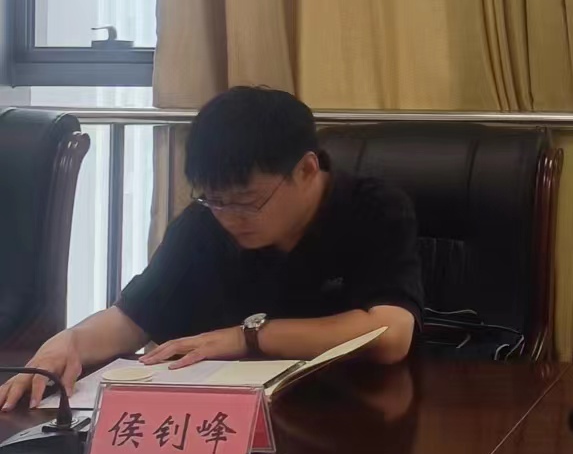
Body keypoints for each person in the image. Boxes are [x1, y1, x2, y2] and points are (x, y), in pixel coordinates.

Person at [0, 86, 424, 412]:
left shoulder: (373, 208)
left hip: (354, 415)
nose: (229, 217)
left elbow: (390, 333)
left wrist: (248, 338)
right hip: (234, 422)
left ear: (306, 170)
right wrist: (70, 342)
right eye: (215, 200)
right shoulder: (203, 223)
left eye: (246, 201)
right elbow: (134, 317)